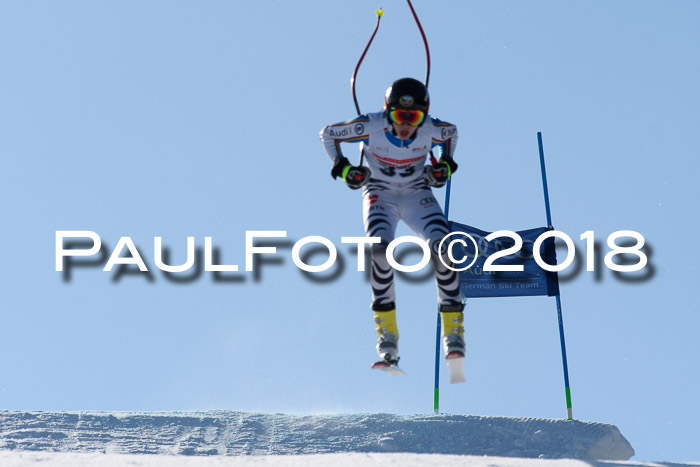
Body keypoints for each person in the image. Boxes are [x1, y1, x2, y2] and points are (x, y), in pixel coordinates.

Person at [320, 77, 465, 368]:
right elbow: (328, 134)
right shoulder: (371, 125)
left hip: (416, 196)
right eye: (400, 116)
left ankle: (454, 332)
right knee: (379, 251)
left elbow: (450, 134)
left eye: (414, 117)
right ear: (387, 112)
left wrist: (445, 164)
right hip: (380, 195)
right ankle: (387, 335)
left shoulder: (431, 129)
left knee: (443, 249)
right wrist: (343, 167)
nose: (406, 125)